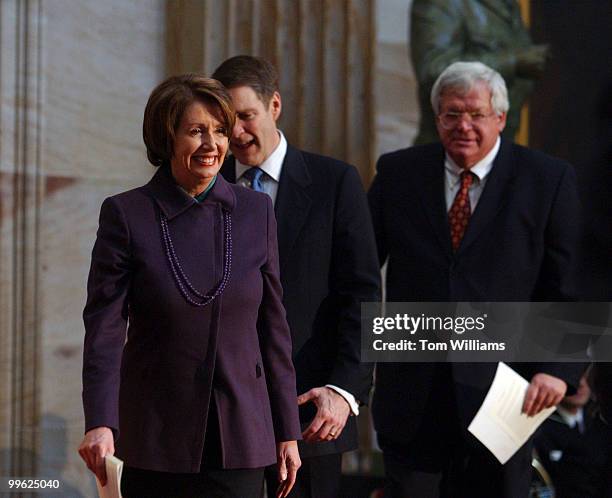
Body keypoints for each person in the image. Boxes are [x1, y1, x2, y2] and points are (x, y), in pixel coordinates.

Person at [77, 74, 301, 498]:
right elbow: (104, 328)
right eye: (196, 131)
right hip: (156, 436)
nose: (212, 145)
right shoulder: (127, 214)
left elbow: (274, 328)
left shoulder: (257, 212)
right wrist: (100, 422)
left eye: (220, 130)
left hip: (242, 434)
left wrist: (287, 428)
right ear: (167, 137)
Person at [368, 61, 584, 498]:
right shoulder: (398, 173)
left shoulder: (547, 180)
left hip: (508, 393)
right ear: (436, 117)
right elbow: (358, 270)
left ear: (501, 117)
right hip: (413, 393)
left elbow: (571, 284)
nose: (463, 126)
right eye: (451, 114)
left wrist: (558, 370)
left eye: (476, 114)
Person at [212, 55, 380, 498]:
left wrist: (345, 391)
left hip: (312, 412)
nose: (236, 134)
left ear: (275, 107)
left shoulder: (335, 182)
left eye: (246, 116)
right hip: (223, 415)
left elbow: (362, 297)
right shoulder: (205, 186)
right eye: (225, 120)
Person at [410, 0, 549, 144]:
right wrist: (513, 62)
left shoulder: (508, 4)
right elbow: (432, 69)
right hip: (450, 149)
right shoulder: (440, 3)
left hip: (500, 143)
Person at [534, 372, 612, 498]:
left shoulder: (599, 426)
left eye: (585, 376)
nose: (581, 384)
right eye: (575, 374)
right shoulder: (540, 428)